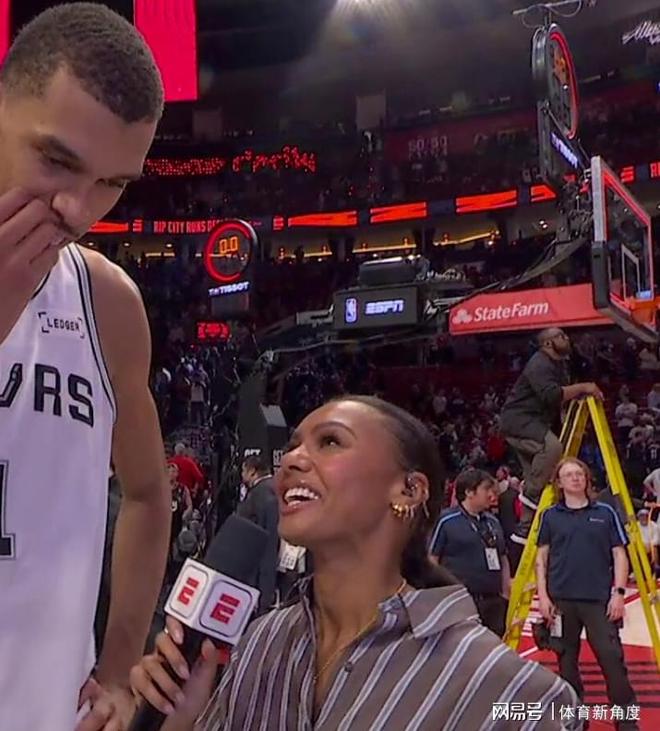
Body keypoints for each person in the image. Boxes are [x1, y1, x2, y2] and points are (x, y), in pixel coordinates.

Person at [130, 396, 581, 730]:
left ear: (409, 490)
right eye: (293, 446)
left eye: (329, 442)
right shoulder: (260, 643)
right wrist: (182, 720)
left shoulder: (510, 690)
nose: (292, 459)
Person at [0, 5, 171, 731]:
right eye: (58, 160)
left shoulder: (107, 303)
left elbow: (148, 494)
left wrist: (120, 666)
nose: (77, 207)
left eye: (114, 183)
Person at [536, 458, 639, 730]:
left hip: (599, 601)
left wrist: (618, 593)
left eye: (579, 473)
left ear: (587, 478)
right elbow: (541, 558)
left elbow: (619, 554)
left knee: (612, 661)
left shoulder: (605, 512)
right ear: (559, 483)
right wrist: (543, 597)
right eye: (569, 475)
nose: (575, 478)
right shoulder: (550, 516)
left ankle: (627, 723)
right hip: (561, 602)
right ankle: (575, 721)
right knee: (567, 665)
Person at [499, 327, 603, 542]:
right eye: (560, 336)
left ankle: (525, 527)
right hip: (520, 420)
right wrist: (584, 387)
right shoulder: (539, 363)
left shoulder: (559, 364)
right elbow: (552, 395)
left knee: (538, 473)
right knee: (552, 448)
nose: (566, 338)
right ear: (547, 343)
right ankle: (530, 495)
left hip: (535, 422)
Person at [429, 469, 511, 636]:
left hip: (493, 601)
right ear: (469, 492)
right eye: (486, 489)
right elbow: (432, 558)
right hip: (460, 600)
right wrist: (438, 595)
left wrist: (505, 593)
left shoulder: (493, 522)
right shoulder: (446, 521)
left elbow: (502, 557)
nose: (491, 495)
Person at [236, 453, 280, 613]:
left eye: (243, 470)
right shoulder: (276, 488)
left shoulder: (259, 494)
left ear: (252, 471)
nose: (242, 475)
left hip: (259, 568)